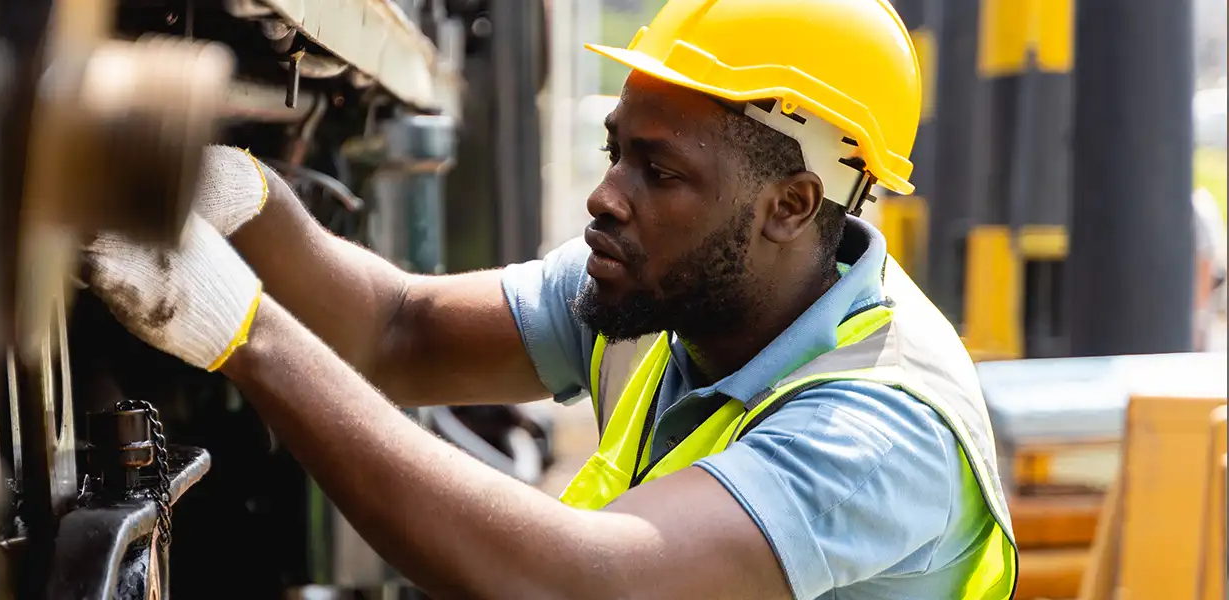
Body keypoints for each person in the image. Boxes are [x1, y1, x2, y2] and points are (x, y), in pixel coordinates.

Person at [82, 0, 1017, 597]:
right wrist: (238, 194)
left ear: (791, 205)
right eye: (617, 151)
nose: (606, 196)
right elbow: (397, 331)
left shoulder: (877, 433)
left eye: (659, 171)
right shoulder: (671, 287)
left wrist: (244, 333)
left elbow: (577, 584)